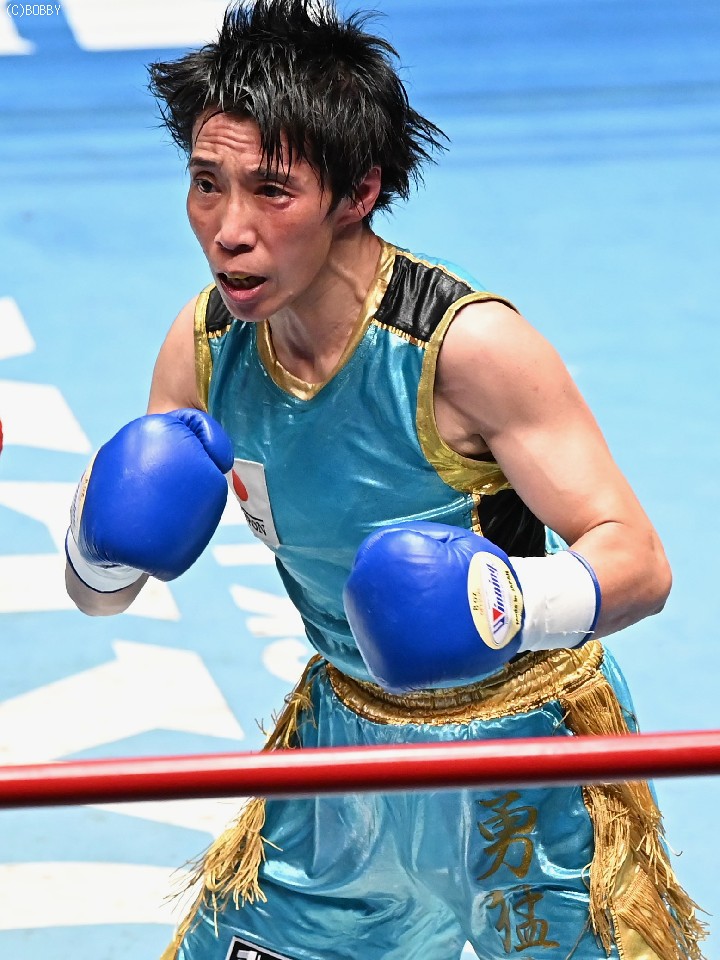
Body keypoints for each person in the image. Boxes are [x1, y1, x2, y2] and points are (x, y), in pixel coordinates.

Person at [65, 2, 705, 958]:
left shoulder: (465, 347)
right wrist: (98, 542)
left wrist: (502, 604)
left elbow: (641, 564)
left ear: (357, 192)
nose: (229, 230)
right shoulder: (203, 346)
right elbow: (101, 596)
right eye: (206, 184)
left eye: (272, 192)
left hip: (528, 761)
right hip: (346, 750)